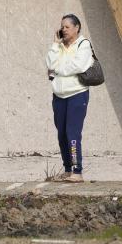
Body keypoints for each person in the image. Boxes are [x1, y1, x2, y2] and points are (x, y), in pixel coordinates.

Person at [45, 14, 93, 182]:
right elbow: (50, 65)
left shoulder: (83, 45)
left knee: (73, 133)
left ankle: (77, 171)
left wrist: (58, 68)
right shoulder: (59, 46)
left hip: (77, 94)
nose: (63, 30)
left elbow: (77, 66)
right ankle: (67, 169)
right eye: (62, 27)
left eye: (67, 27)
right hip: (59, 96)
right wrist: (54, 45)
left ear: (76, 27)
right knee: (62, 134)